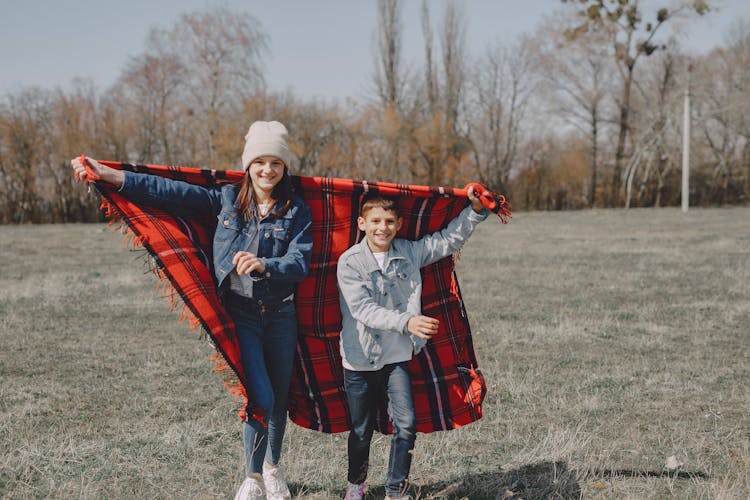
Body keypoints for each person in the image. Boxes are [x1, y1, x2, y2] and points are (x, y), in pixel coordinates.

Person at [71, 121, 312, 500]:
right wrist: (113, 176)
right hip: (242, 316)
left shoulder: (295, 209)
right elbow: (169, 191)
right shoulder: (227, 200)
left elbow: (300, 261)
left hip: (281, 315)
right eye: (260, 161)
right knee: (259, 397)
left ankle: (272, 469)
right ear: (248, 164)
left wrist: (268, 265)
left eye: (276, 163)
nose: (268, 170)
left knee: (279, 398)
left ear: (284, 168)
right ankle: (251, 478)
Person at [336, 189, 487, 500]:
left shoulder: (409, 252)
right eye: (375, 221)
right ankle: (356, 485)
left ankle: (395, 491)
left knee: (406, 425)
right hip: (360, 359)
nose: (383, 228)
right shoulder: (349, 262)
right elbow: (362, 309)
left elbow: (447, 241)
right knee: (361, 431)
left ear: (400, 223)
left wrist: (474, 210)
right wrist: (407, 321)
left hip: (398, 357)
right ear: (362, 223)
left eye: (389, 221)